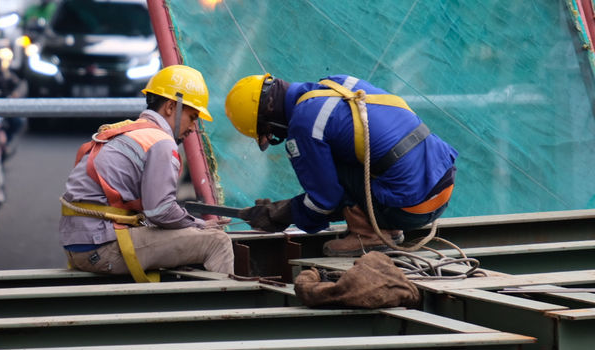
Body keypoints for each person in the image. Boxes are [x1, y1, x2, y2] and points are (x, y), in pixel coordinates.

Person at [224, 73, 459, 257]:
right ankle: (385, 226)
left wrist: (281, 215)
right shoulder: (337, 83)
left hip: (411, 207)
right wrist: (286, 209)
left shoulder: (304, 125)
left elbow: (324, 201)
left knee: (332, 175)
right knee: (355, 153)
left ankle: (369, 235)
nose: (275, 137)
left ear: (269, 114)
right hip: (442, 184)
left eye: (269, 132)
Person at [59, 64, 234, 281]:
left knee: (192, 237)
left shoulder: (133, 132)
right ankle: (224, 303)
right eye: (192, 116)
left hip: (81, 245)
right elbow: (161, 211)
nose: (193, 128)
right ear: (171, 107)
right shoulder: (160, 141)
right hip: (102, 248)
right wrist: (198, 224)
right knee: (217, 242)